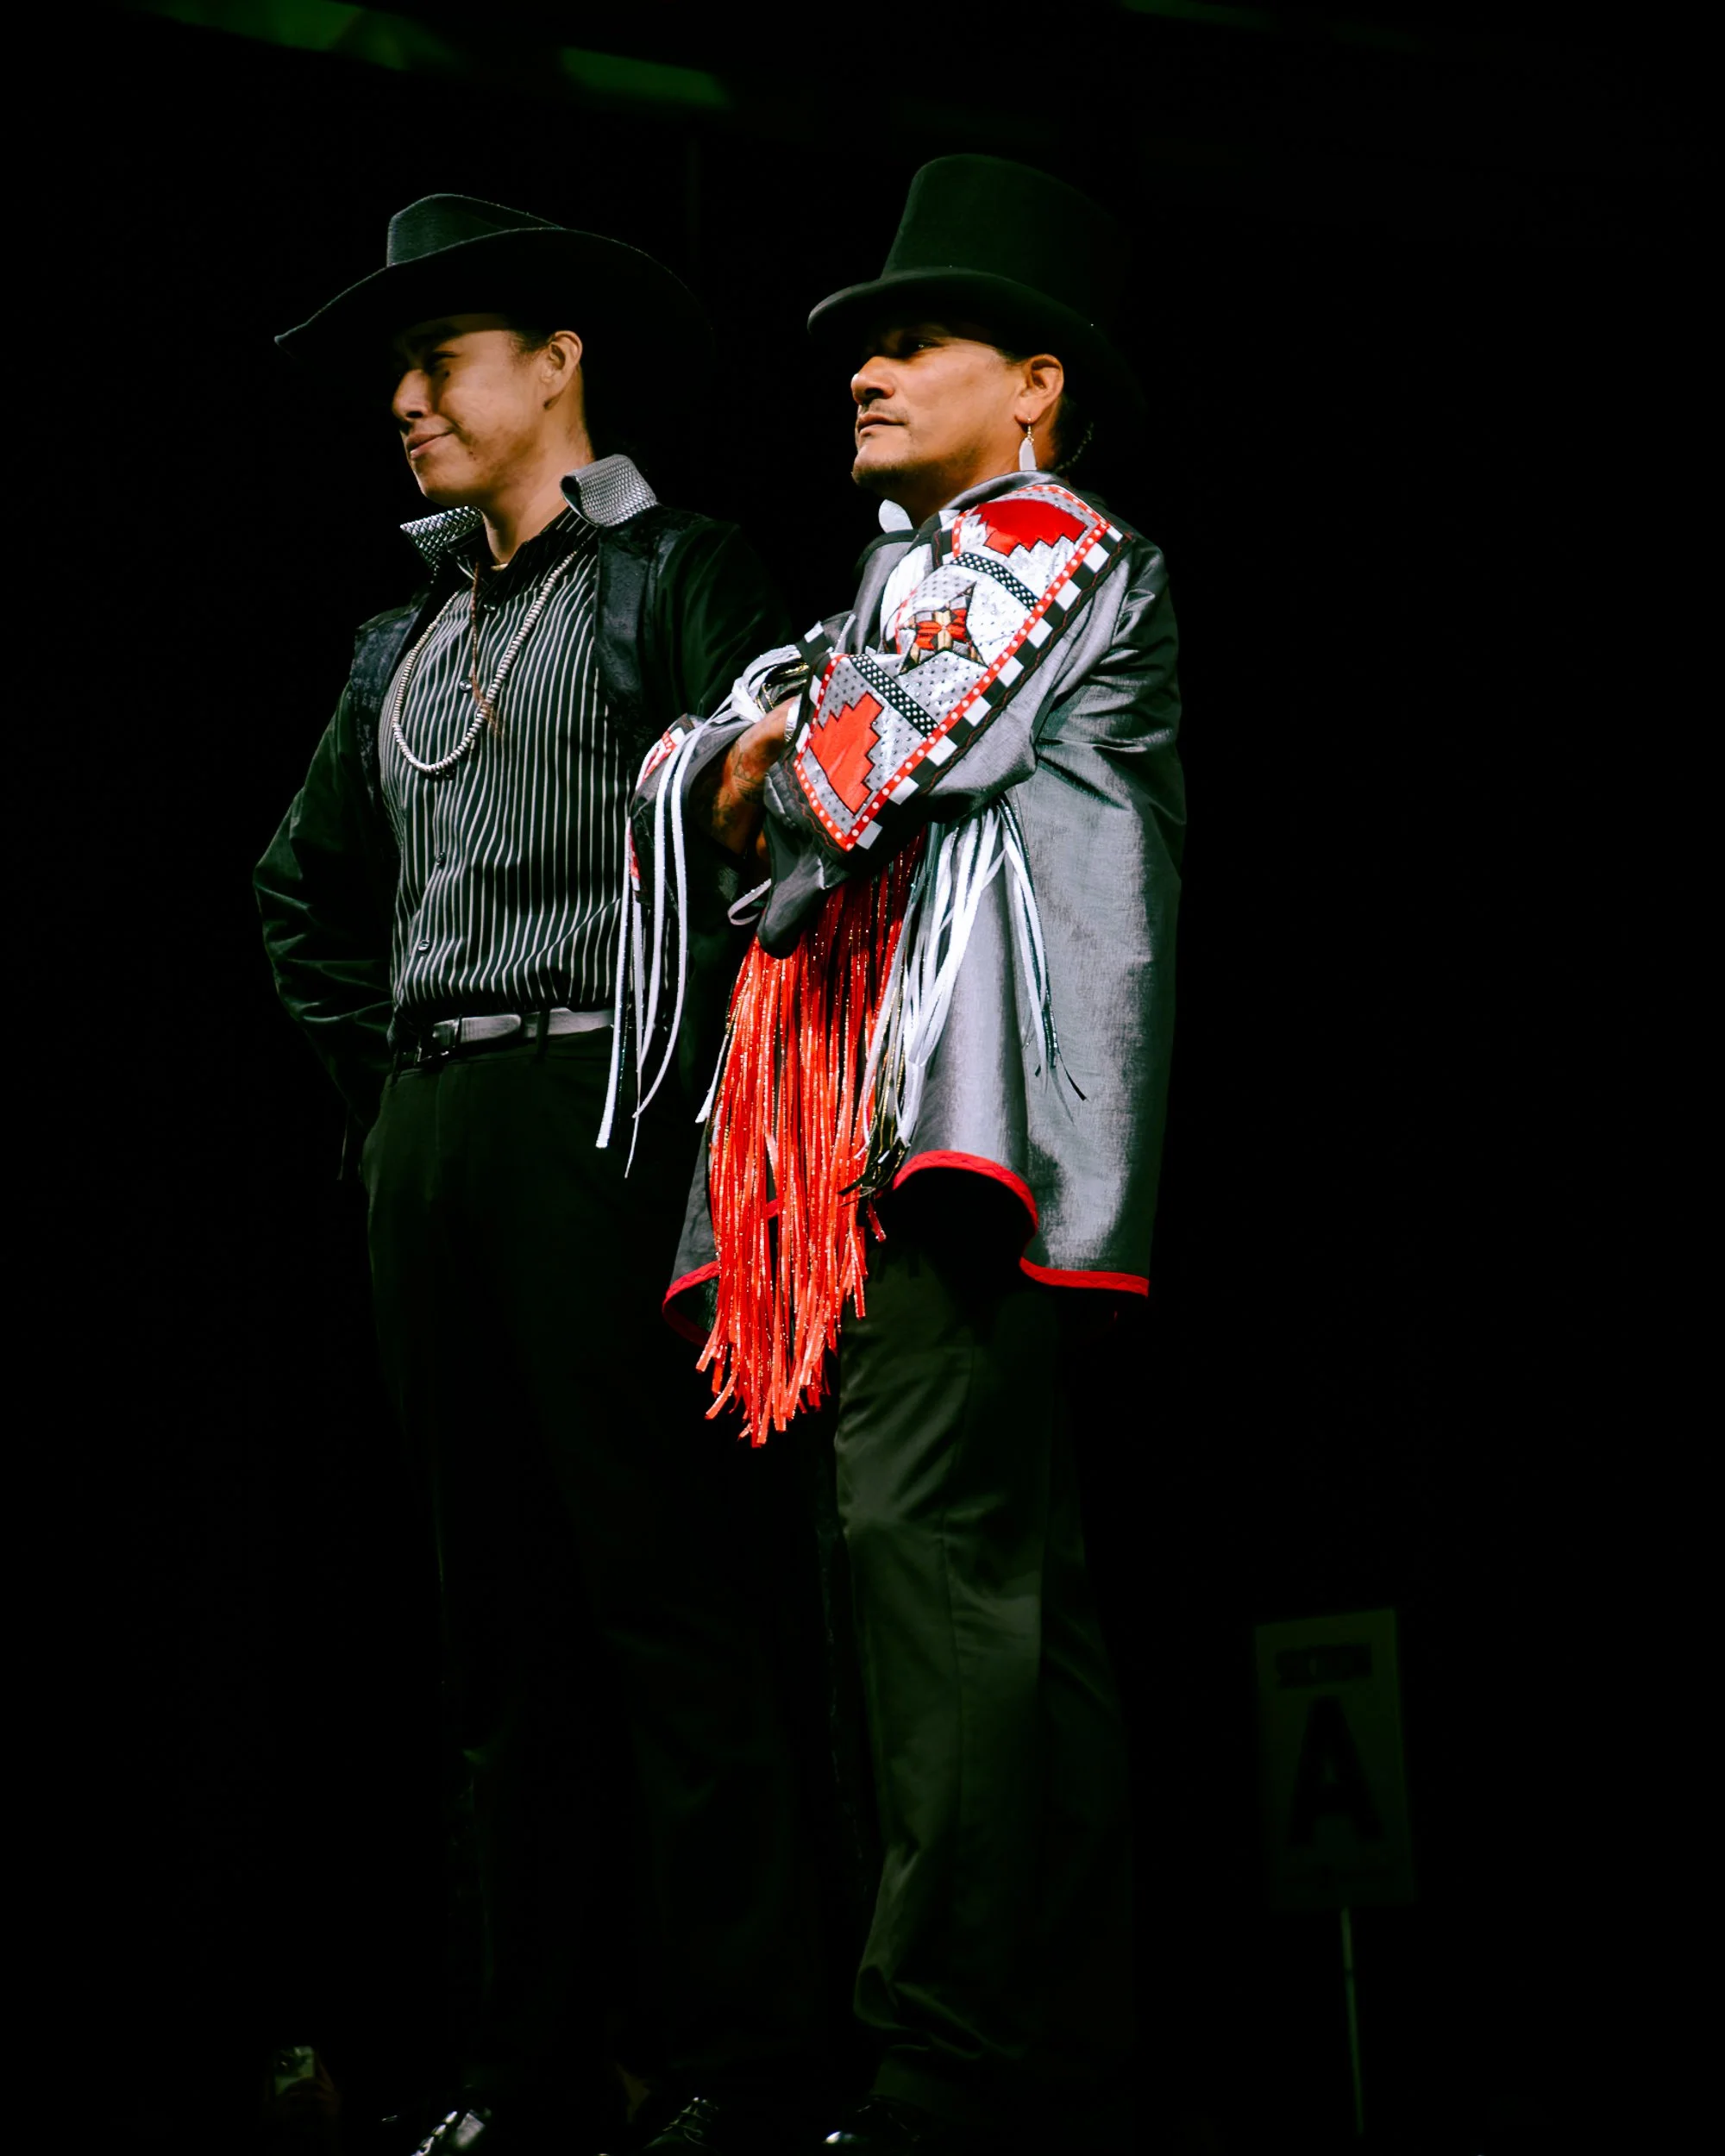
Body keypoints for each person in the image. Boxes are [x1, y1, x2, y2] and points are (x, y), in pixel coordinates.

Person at [255, 194, 832, 2156]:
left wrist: (674, 1107)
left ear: (559, 363)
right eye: (394, 377)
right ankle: (522, 2068)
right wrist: (388, 1107)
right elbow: (296, 894)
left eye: (443, 360)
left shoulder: (680, 568)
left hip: (610, 1112)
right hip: (438, 1127)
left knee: (666, 1597)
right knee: (489, 1629)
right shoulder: (397, 640)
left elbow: (774, 836)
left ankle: (740, 2054)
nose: (405, 402)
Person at [619, 156, 1185, 2155]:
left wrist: (758, 736)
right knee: (1008, 1573)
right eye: (863, 336)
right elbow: (740, 746)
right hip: (934, 1125)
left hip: (963, 1131)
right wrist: (751, 732)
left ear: (1033, 386)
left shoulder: (1040, 544)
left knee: (921, 1549)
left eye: (915, 337)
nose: (867, 365)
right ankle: (1059, 2034)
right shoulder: (922, 574)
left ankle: (945, 2050)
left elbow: (823, 774)